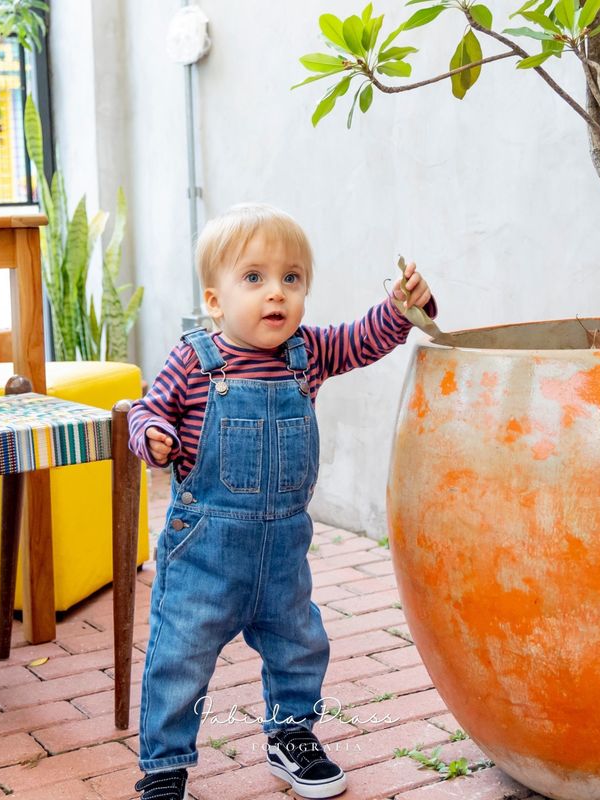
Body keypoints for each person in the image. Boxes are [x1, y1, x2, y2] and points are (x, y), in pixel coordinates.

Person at [128, 203, 435, 800]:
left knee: (300, 647)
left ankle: (291, 735)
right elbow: (148, 410)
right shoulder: (194, 360)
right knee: (179, 656)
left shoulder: (308, 352)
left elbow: (364, 339)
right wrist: (154, 436)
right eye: (254, 277)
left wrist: (401, 308)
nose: (277, 292)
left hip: (282, 555)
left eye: (291, 278)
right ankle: (164, 768)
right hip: (204, 555)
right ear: (215, 301)